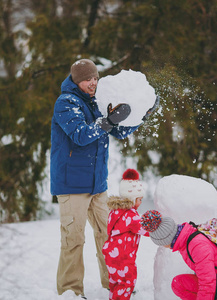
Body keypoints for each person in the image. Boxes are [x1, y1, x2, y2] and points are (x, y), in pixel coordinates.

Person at [50, 59, 158, 299]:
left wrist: (142, 115)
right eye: (88, 79)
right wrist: (109, 121)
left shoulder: (97, 102)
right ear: (77, 80)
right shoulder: (66, 103)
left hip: (97, 184)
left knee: (110, 235)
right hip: (71, 185)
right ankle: (70, 291)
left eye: (96, 79)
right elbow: (80, 135)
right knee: (73, 240)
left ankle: (114, 283)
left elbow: (116, 131)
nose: (93, 83)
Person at [140, 210, 217, 300]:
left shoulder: (197, 246)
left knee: (181, 285)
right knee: (178, 284)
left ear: (165, 240)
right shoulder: (187, 237)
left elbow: (208, 281)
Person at [102, 169, 149, 300]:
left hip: (111, 255)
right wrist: (159, 226)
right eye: (139, 199)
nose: (140, 202)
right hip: (124, 258)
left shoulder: (115, 211)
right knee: (127, 283)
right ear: (132, 199)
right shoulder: (131, 216)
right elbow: (146, 229)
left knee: (115, 282)